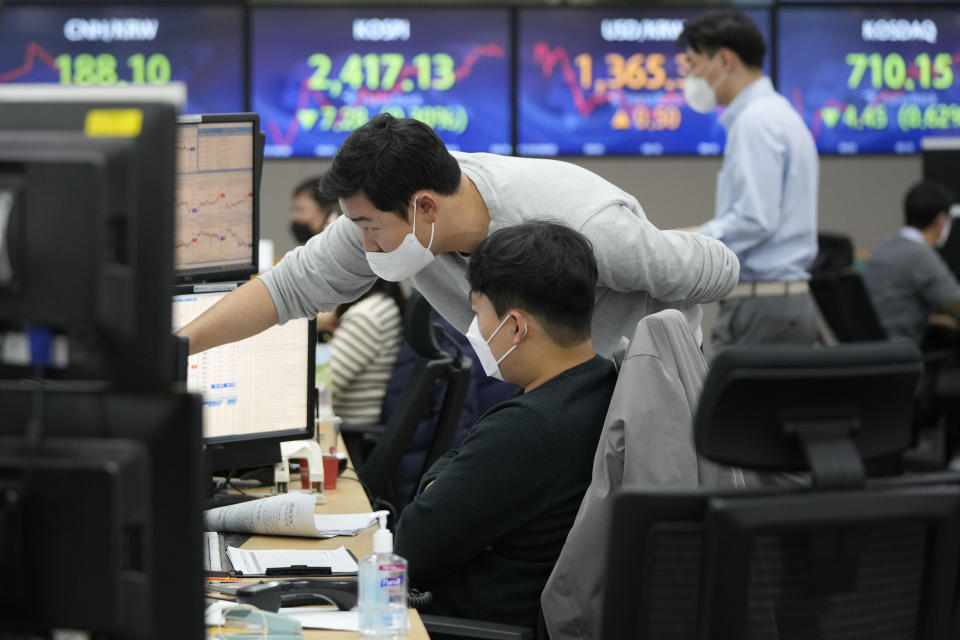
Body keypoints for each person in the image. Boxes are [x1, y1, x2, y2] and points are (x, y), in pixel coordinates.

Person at [179, 114, 739, 360]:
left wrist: (663, 249)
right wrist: (178, 346)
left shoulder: (582, 226)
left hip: (644, 390)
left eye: (369, 228)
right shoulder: (394, 210)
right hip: (561, 394)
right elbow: (287, 289)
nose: (365, 247)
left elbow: (717, 270)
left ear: (424, 207)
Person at [393, 221, 618, 628]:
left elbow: (410, 546)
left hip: (468, 627)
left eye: (478, 313)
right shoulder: (599, 384)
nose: (475, 330)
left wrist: (438, 480)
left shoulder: (531, 427)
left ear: (515, 327)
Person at [676, 10, 820, 351]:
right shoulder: (778, 114)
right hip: (777, 306)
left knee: (730, 406)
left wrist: (687, 241)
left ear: (724, 60)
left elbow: (755, 219)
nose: (692, 77)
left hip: (763, 308)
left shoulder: (755, 123)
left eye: (695, 64)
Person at [863, 181, 960, 345]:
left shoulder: (884, 246)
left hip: (873, 345)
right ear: (941, 220)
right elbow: (955, 303)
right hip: (900, 348)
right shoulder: (920, 255)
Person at [323, 279, 405, 424]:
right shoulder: (385, 302)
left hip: (349, 430)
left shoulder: (366, 316)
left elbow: (320, 388)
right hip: (363, 425)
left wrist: (305, 332)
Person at [289, 175, 341, 245]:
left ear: (325, 208)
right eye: (295, 210)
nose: (296, 217)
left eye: (301, 210)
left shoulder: (339, 241)